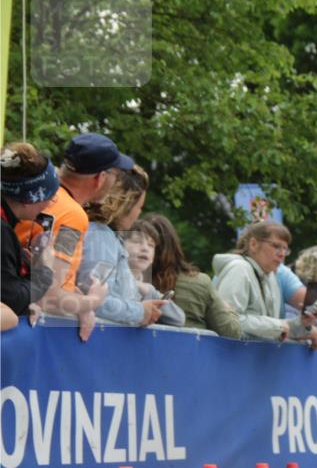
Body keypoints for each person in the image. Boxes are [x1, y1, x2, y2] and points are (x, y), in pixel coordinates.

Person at [17, 134, 127, 337]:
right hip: (29, 331)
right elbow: (49, 297)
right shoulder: (72, 216)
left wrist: (76, 298)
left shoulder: (33, 193)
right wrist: (91, 302)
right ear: (100, 178)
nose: (115, 183)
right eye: (115, 175)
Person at [77, 165, 172, 327]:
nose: (139, 214)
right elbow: (95, 302)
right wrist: (140, 311)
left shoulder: (108, 236)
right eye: (139, 207)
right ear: (125, 205)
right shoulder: (100, 237)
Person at [213, 221, 315, 345]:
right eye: (276, 246)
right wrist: (277, 326)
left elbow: (275, 330)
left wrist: (302, 324)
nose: (282, 254)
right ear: (254, 244)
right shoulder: (239, 269)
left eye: (285, 249)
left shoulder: (271, 276)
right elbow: (226, 321)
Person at [141, 214, 241, 338]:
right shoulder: (200, 282)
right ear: (174, 244)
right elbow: (231, 331)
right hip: (190, 349)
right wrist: (229, 309)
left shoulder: (129, 283)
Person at [1, 142, 59, 315]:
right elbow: (11, 301)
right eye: (49, 197)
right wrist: (45, 270)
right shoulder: (2, 232)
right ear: (28, 199)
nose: (49, 204)